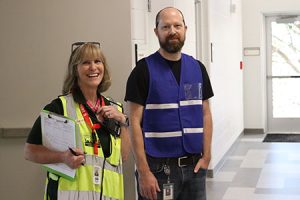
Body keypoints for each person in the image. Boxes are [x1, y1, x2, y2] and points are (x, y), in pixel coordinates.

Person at [125, 7, 213, 200]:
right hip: (158, 169)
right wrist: (143, 171)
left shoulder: (197, 68)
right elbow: (134, 122)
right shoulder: (142, 70)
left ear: (185, 29)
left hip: (194, 166)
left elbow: (205, 113)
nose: (172, 31)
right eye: (165, 27)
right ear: (156, 31)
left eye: (177, 25)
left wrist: (207, 156)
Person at [24, 42, 130, 200]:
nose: (93, 67)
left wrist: (123, 121)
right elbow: (30, 152)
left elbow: (123, 155)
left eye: (97, 61)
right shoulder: (59, 107)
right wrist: (62, 157)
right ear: (75, 70)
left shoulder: (116, 109)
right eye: (86, 62)